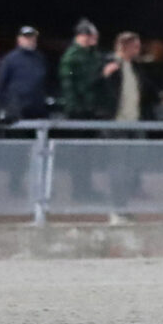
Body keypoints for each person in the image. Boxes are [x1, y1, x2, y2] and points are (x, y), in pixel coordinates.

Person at [58, 19, 111, 201]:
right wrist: (102, 74)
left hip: (90, 110)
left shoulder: (91, 54)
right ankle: (79, 191)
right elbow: (79, 86)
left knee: (87, 155)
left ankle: (85, 189)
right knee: (79, 156)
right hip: (79, 112)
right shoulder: (72, 57)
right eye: (91, 36)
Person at [104, 32, 154, 222]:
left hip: (134, 124)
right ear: (125, 46)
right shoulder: (110, 65)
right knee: (118, 169)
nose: (139, 49)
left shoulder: (135, 67)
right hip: (117, 126)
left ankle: (122, 207)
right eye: (135, 46)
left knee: (131, 168)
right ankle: (116, 209)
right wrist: (105, 75)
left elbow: (146, 90)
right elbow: (97, 89)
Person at [0, 26, 49, 196]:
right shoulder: (10, 59)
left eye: (33, 37)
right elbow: (1, 85)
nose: (30, 40)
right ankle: (15, 185)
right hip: (17, 113)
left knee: (40, 151)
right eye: (27, 37)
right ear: (19, 39)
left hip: (37, 111)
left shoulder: (39, 58)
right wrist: (5, 108)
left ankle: (39, 186)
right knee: (19, 154)